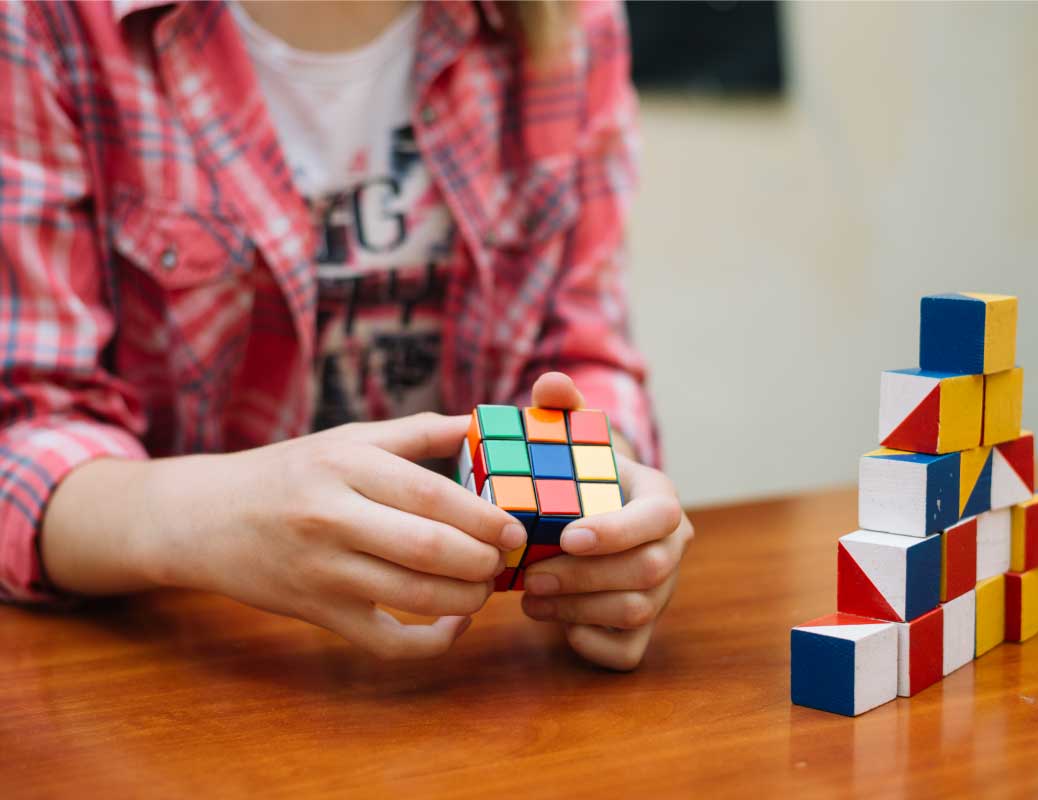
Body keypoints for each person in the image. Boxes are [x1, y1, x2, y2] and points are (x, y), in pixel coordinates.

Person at [0, 0, 692, 671]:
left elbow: (582, 353)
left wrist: (613, 516)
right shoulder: (48, 19)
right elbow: (24, 435)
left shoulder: (572, 15)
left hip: (471, 670)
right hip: (175, 665)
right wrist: (209, 514)